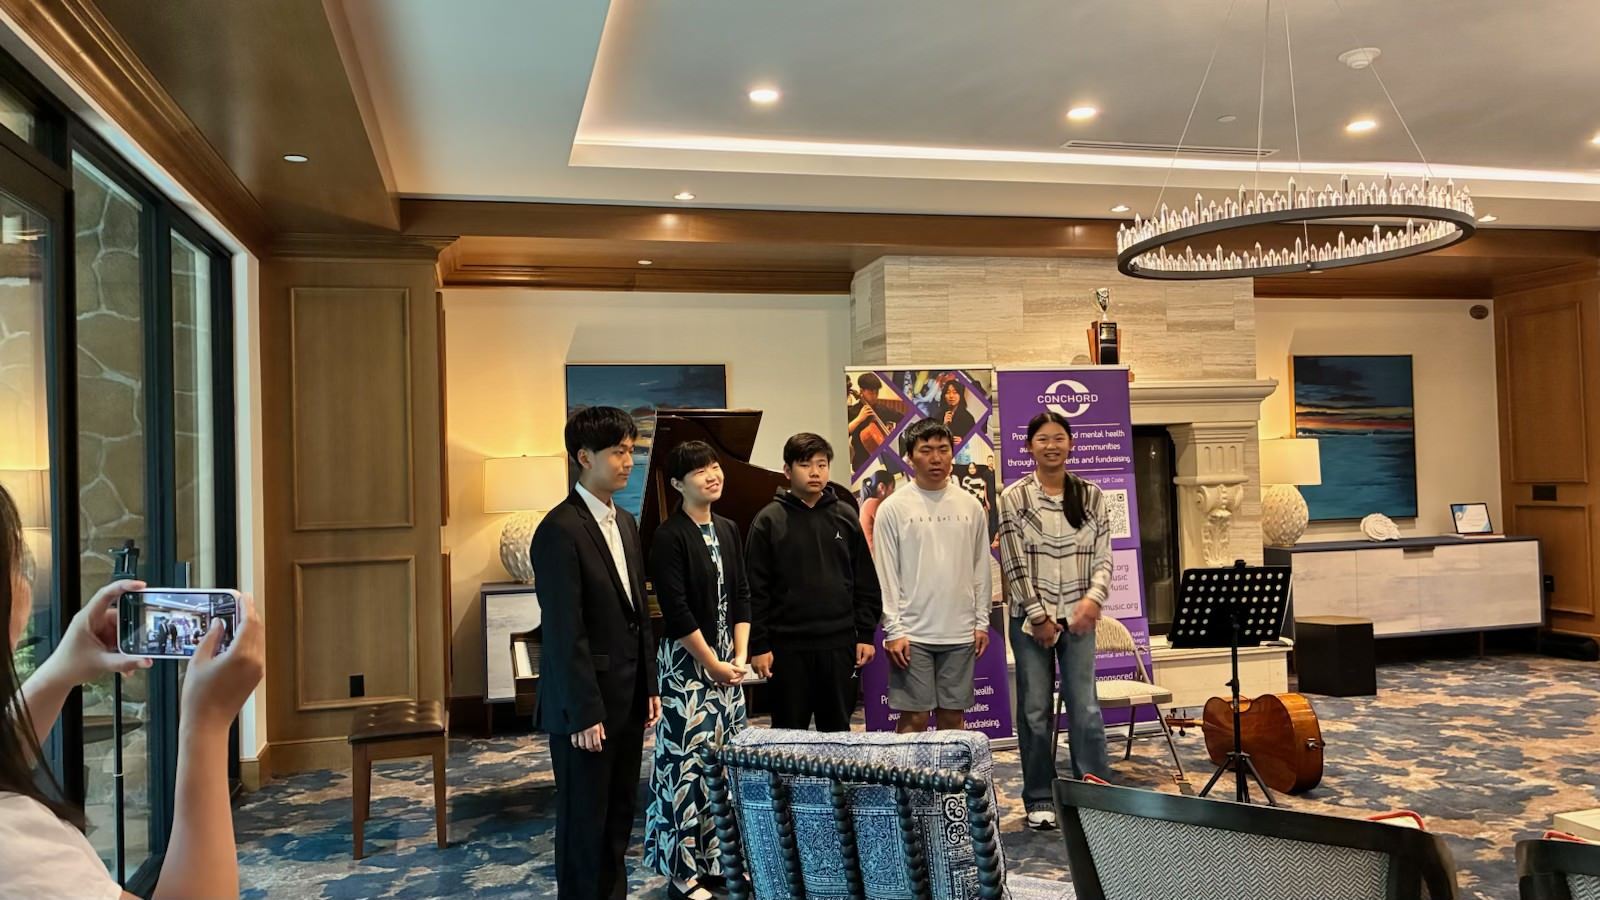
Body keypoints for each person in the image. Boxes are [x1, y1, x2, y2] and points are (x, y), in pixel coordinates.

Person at [0, 485, 265, 899]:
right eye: (18, 564)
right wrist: (207, 725)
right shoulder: (16, 853)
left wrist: (59, 671)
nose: (24, 582)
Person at [531, 406, 661, 900]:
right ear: (584, 457)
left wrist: (649, 684)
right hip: (585, 707)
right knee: (583, 823)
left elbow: (638, 613)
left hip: (627, 697)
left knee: (618, 818)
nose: (628, 462)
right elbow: (564, 632)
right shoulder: (559, 529)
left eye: (631, 451)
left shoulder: (624, 522)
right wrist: (584, 711)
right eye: (617, 452)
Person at [644, 440, 750, 900]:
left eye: (715, 466)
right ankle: (681, 870)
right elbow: (677, 611)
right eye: (699, 471)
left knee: (726, 767)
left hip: (727, 667)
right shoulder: (669, 536)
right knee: (685, 768)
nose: (712, 475)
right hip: (688, 669)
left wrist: (739, 657)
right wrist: (713, 664)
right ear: (676, 484)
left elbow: (742, 594)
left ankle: (721, 862)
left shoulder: (728, 528)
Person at [998, 411, 1112, 831]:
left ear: (1071, 444)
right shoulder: (1014, 497)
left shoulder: (1091, 494)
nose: (1052, 445)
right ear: (1029, 446)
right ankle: (1040, 796)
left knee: (1085, 707)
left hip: (1079, 619)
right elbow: (1013, 564)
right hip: (1030, 621)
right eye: (1043, 439)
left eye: (1059, 438)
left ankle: (1094, 793)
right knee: (1034, 711)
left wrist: (1093, 600)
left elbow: (1104, 556)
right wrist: (1039, 616)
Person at [746, 433, 882, 732]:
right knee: (788, 733)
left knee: (838, 732)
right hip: (787, 648)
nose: (815, 472)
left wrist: (865, 634)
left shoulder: (845, 515)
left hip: (840, 644)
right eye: (805, 465)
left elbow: (865, 581)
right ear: (787, 470)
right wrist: (759, 644)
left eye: (822, 464)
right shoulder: (768, 520)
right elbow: (756, 590)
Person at [873, 419, 992, 732]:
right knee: (914, 718)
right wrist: (893, 629)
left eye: (943, 449)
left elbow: (981, 566)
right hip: (912, 634)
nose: (936, 458)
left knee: (953, 718)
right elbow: (885, 574)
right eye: (926, 450)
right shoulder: (892, 508)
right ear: (910, 457)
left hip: (960, 632)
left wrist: (982, 621)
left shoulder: (971, 506)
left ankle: (951, 770)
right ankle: (905, 770)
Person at [846, 372, 904, 471]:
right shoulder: (852, 411)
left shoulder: (882, 409)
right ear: (861, 391)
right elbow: (843, 435)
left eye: (876, 392)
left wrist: (892, 430)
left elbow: (902, 418)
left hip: (885, 459)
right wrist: (859, 419)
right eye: (871, 393)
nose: (874, 396)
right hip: (862, 462)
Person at [858, 472, 896, 555]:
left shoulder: (868, 503)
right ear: (882, 487)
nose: (893, 493)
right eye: (892, 488)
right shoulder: (873, 503)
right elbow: (893, 527)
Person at [936, 377, 977, 448]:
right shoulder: (938, 415)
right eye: (948, 392)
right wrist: (944, 425)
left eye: (955, 392)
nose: (951, 396)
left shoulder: (968, 418)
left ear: (960, 396)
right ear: (944, 396)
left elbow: (974, 442)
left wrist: (963, 442)